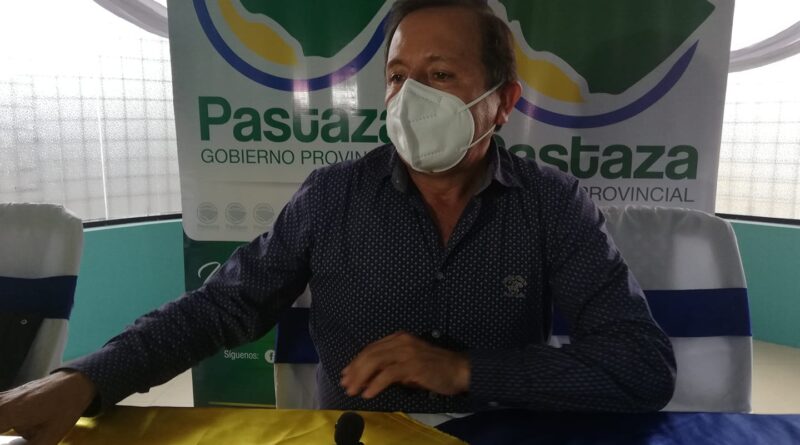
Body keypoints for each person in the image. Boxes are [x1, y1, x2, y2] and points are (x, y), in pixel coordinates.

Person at [0, 0, 676, 443]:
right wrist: (87, 377)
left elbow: (642, 366)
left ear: (503, 103)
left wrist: (467, 371)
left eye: (440, 75)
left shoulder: (551, 203)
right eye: (398, 76)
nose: (410, 97)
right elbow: (223, 306)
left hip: (499, 435)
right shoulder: (333, 196)